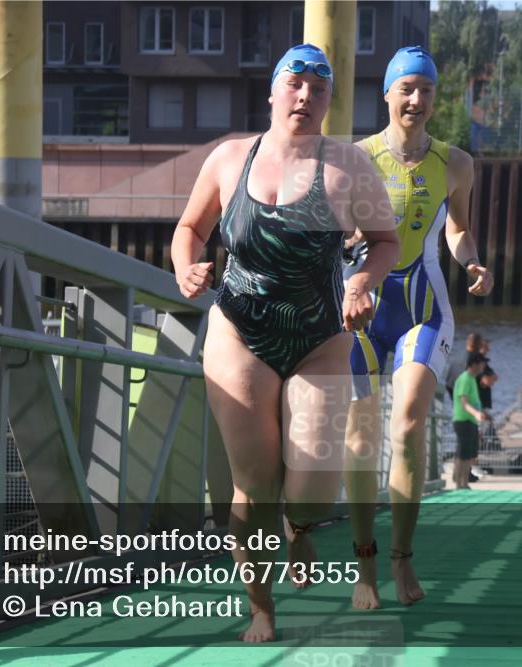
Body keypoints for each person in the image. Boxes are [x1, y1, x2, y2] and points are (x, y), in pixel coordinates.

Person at [171, 44, 400, 642]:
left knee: (310, 486)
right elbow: (189, 229)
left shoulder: (348, 166)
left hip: (319, 334)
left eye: (318, 88)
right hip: (239, 329)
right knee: (253, 483)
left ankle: (300, 532)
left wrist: (362, 280)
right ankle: (261, 606)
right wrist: (184, 267)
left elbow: (384, 241)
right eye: (294, 83)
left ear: (328, 100)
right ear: (272, 92)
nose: (304, 96)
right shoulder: (228, 159)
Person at [343, 45, 494, 610]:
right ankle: (364, 566)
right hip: (362, 310)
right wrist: (348, 240)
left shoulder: (456, 163)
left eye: (425, 90)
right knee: (360, 438)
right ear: (386, 94)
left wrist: (471, 260)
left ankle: (403, 559)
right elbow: (336, 231)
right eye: (405, 88)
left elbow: (458, 230)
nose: (416, 99)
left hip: (424, 307)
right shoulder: (356, 158)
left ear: (435, 98)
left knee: (406, 426)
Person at [453, 352, 488, 489]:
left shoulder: (473, 379)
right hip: (463, 420)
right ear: (473, 364)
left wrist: (482, 413)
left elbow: (474, 401)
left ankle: (464, 482)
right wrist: (476, 413)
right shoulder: (465, 378)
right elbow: (464, 402)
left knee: (468, 454)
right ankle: (459, 484)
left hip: (471, 421)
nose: (483, 365)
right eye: (481, 363)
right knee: (462, 453)